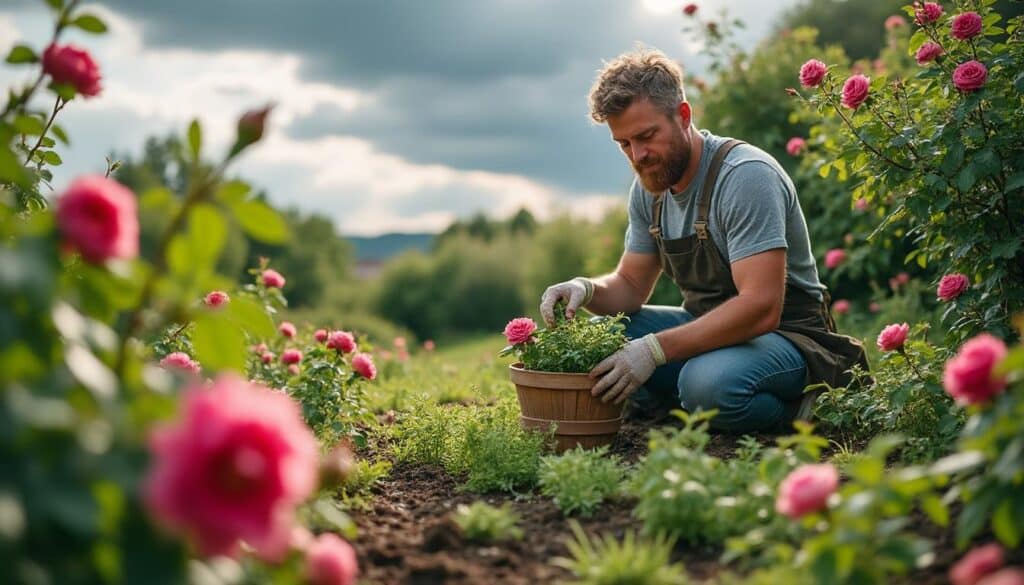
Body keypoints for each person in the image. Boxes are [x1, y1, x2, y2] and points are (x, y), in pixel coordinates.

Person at [539, 48, 867, 433]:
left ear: (683, 116)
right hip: (708, 332)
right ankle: (689, 400)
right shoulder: (650, 189)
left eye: (646, 136)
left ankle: (810, 408)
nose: (638, 156)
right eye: (624, 144)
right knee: (605, 335)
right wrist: (585, 288)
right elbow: (629, 286)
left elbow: (762, 307)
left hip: (788, 338)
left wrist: (654, 350)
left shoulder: (745, 177)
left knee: (707, 385)